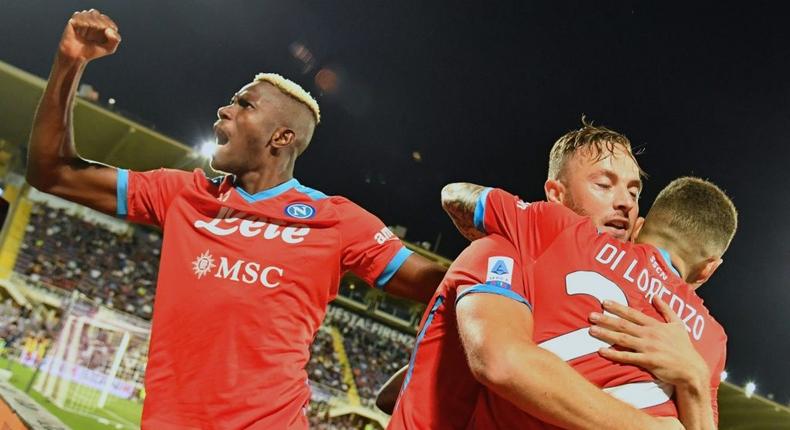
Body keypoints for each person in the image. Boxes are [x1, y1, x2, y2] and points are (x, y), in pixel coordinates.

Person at [27, 10, 445, 429]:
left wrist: (416, 376)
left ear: (281, 137)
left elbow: (450, 287)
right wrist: (69, 63)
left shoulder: (336, 221)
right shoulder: (183, 195)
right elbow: (53, 173)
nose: (224, 111)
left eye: (244, 104)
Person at [387, 122, 722, 430]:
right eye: (604, 185)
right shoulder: (507, 247)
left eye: (634, 193)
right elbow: (501, 363)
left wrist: (693, 378)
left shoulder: (671, 331)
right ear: (555, 195)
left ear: (640, 224)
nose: (624, 202)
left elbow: (394, 393)